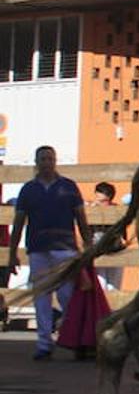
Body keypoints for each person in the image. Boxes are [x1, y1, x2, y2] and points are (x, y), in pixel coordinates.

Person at [6, 146, 92, 360]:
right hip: (38, 249)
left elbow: (81, 219)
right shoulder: (28, 189)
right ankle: (44, 344)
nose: (46, 162)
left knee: (67, 297)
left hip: (65, 249)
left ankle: (75, 340)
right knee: (41, 298)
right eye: (43, 159)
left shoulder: (69, 187)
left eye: (50, 158)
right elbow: (18, 223)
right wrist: (12, 252)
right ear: (36, 162)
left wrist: (89, 246)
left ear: (55, 161)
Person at [89, 182, 125, 291]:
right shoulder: (91, 211)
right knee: (101, 287)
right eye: (97, 199)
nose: (99, 203)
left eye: (103, 201)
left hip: (115, 251)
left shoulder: (117, 210)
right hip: (98, 252)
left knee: (114, 288)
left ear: (110, 199)